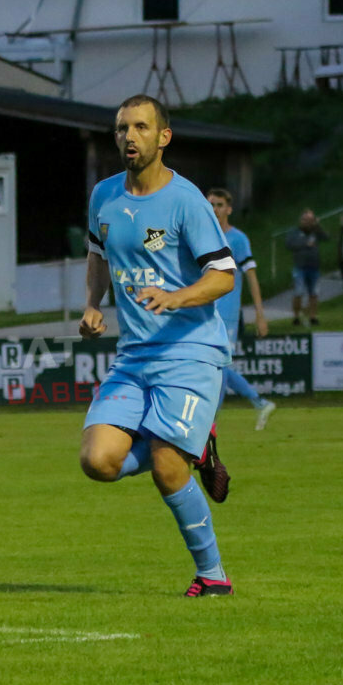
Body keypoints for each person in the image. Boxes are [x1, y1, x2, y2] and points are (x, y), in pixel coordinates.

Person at [79, 94, 237, 597]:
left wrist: (177, 296)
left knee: (168, 468)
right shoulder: (103, 195)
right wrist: (91, 303)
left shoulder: (186, 199)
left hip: (191, 351)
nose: (130, 136)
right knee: (98, 461)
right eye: (123, 127)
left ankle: (213, 577)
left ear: (163, 137)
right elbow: (97, 253)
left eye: (142, 127)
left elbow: (224, 275)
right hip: (134, 356)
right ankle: (194, 443)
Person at [207, 189, 277, 431]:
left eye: (219, 205)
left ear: (229, 209)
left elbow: (252, 276)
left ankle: (211, 423)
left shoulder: (237, 239)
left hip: (226, 314)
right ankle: (260, 402)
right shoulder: (202, 235)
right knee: (215, 366)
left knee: (220, 365)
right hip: (204, 312)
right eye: (211, 205)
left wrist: (259, 313)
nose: (214, 209)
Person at [284, 208, 328, 326]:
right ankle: (296, 316)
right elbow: (289, 244)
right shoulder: (294, 232)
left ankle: (313, 316)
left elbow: (326, 237)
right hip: (300, 267)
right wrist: (305, 244)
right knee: (298, 292)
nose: (307, 222)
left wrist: (318, 226)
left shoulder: (315, 231)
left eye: (310, 219)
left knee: (314, 293)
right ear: (301, 220)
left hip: (314, 267)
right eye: (305, 219)